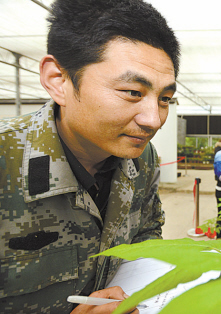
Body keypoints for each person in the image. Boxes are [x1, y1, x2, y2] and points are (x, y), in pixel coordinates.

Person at [0, 0, 179, 313]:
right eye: (133, 92)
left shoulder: (143, 157)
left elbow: (147, 232)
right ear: (59, 80)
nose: (153, 119)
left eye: (165, 99)